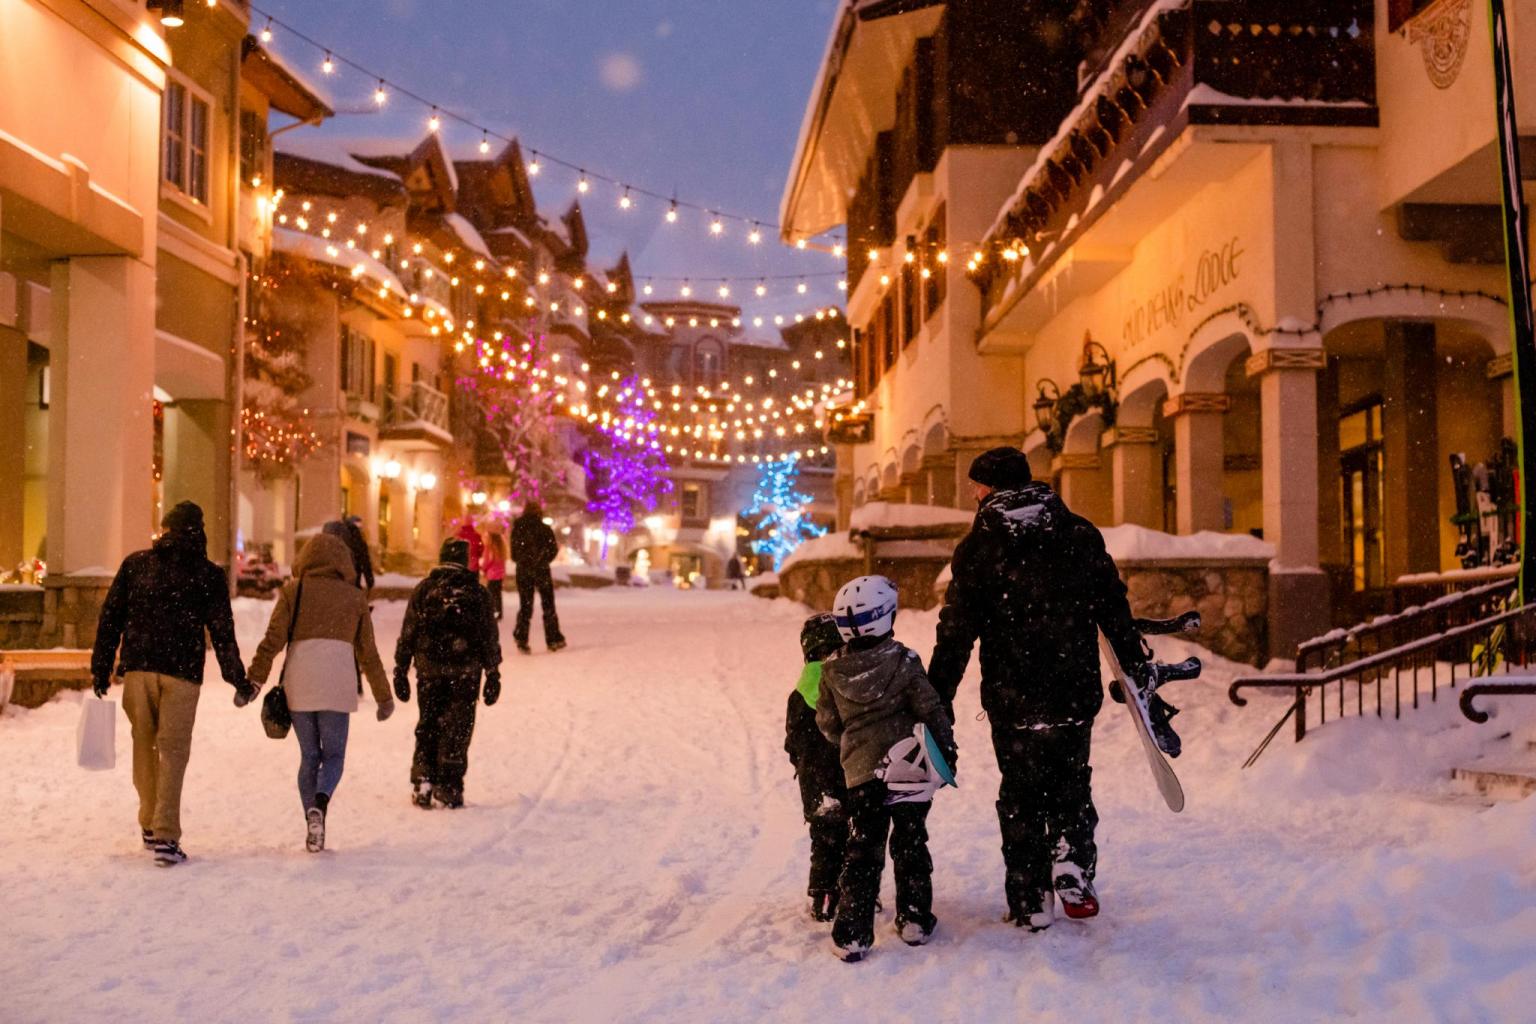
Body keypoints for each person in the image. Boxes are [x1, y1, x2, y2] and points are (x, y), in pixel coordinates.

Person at [927, 446, 1170, 933]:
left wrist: (937, 696)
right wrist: (1133, 663)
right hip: (1071, 689)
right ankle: (1072, 861)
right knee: (1071, 782)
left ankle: (1030, 895)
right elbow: (1113, 608)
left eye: (977, 485)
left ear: (991, 487)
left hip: (1011, 694)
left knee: (1019, 792)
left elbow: (956, 630)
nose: (974, 494)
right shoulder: (1078, 533)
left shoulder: (979, 547)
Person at [89, 501, 253, 867]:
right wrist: (237, 679)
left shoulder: (137, 565)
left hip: (139, 670)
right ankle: (165, 834)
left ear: (165, 530)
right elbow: (222, 633)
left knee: (143, 744)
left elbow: (111, 616)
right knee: (174, 753)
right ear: (200, 531)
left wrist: (102, 666)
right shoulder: (208, 575)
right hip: (182, 674)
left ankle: (149, 820)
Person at [817, 575, 956, 962]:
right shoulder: (905, 660)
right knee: (911, 842)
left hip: (860, 775)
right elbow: (931, 709)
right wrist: (946, 749)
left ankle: (852, 933)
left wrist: (853, 745)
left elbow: (827, 724)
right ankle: (914, 919)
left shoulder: (831, 672)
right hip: (907, 767)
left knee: (863, 847)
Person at [245, 533, 395, 852]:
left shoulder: (292, 592)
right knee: (334, 755)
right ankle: (322, 803)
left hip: (300, 680)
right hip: (337, 681)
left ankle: (312, 823)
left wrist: (254, 680)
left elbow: (272, 640)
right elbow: (368, 653)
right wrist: (383, 696)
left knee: (309, 756)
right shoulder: (354, 597)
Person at [393, 537, 503, 808]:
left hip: (429, 670)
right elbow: (489, 635)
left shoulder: (424, 590)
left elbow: (409, 631)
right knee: (459, 726)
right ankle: (450, 784)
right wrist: (493, 673)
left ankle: (424, 780)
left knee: (428, 723)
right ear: (466, 560)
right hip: (465, 671)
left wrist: (401, 667)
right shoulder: (478, 593)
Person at [784, 613, 849, 923]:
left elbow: (792, 740)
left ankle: (820, 895)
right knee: (853, 836)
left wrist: (803, 763)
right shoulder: (848, 683)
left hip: (815, 780)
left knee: (823, 837)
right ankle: (853, 893)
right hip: (850, 773)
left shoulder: (799, 693)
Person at [510, 501, 566, 653]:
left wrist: (524, 561)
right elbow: (552, 549)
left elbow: (513, 553)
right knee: (548, 605)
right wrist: (542, 560)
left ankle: (521, 637)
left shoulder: (518, 529)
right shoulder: (544, 529)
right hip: (541, 570)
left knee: (525, 605)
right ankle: (553, 638)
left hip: (523, 571)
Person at [321, 516, 374, 591]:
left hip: (329, 580)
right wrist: (369, 580)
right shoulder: (356, 537)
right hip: (351, 579)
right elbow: (364, 559)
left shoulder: (334, 537)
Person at [483, 519, 509, 620]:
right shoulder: (502, 548)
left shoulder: (489, 547)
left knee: (490, 594)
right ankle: (499, 612)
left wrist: (484, 568)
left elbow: (487, 560)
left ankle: (492, 612)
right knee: (498, 594)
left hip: (491, 573)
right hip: (499, 574)